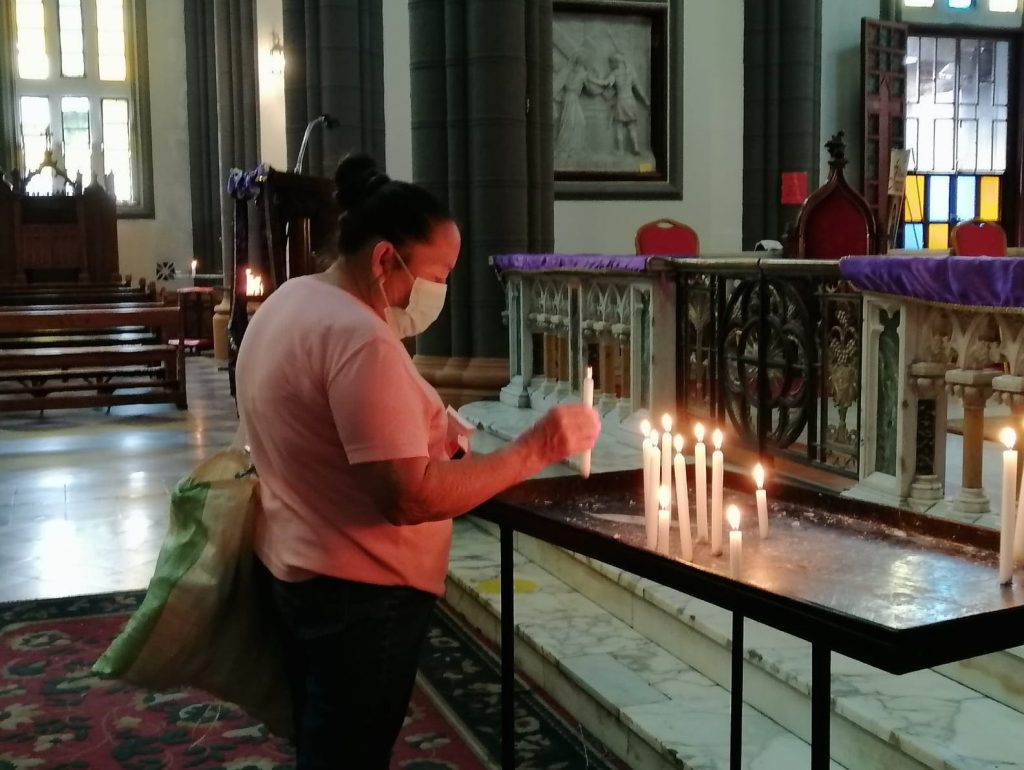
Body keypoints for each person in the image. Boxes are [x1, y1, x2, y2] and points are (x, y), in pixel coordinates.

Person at [235, 153, 600, 769]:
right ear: (385, 259)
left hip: (296, 563)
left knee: (325, 739)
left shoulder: (290, 299)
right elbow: (409, 494)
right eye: (437, 275)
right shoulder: (359, 339)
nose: (439, 293)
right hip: (358, 591)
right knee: (349, 753)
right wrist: (535, 449)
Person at [604, 52, 650, 156]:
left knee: (619, 126)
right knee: (631, 126)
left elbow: (607, 83)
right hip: (631, 101)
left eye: (611, 62)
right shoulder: (631, 72)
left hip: (621, 101)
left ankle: (620, 150)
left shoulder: (614, 73)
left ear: (616, 62)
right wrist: (646, 101)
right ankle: (636, 147)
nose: (610, 65)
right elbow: (638, 89)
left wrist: (595, 80)